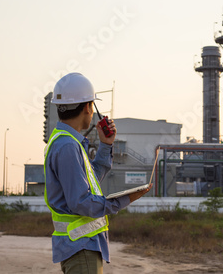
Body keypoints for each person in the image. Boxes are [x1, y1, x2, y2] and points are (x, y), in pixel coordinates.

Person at [44, 72, 151, 273]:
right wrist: (124, 200)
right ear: (87, 107)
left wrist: (105, 145)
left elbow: (91, 178)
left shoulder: (69, 143)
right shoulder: (67, 146)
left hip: (82, 248)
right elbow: (81, 202)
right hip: (80, 248)